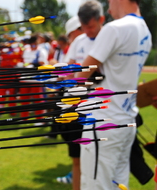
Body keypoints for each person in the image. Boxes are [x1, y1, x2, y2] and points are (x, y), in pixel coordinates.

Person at [75, 0, 152, 189]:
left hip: (103, 122)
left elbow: (80, 76)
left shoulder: (114, 29)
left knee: (95, 185)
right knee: (118, 184)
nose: (108, 9)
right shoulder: (145, 30)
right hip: (126, 122)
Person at [55, 2, 105, 190]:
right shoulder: (79, 41)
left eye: (90, 26)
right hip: (76, 106)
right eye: (83, 27)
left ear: (100, 21)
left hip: (99, 108)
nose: (87, 31)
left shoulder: (108, 39)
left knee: (98, 162)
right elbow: (69, 71)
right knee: (77, 159)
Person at [19, 35, 48, 120]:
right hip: (25, 77)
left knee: (38, 99)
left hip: (36, 78)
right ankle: (24, 117)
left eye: (34, 44)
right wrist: (25, 65)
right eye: (31, 44)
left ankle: (40, 118)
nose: (32, 46)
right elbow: (24, 62)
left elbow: (43, 63)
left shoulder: (41, 51)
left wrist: (34, 64)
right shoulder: (26, 50)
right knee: (24, 99)